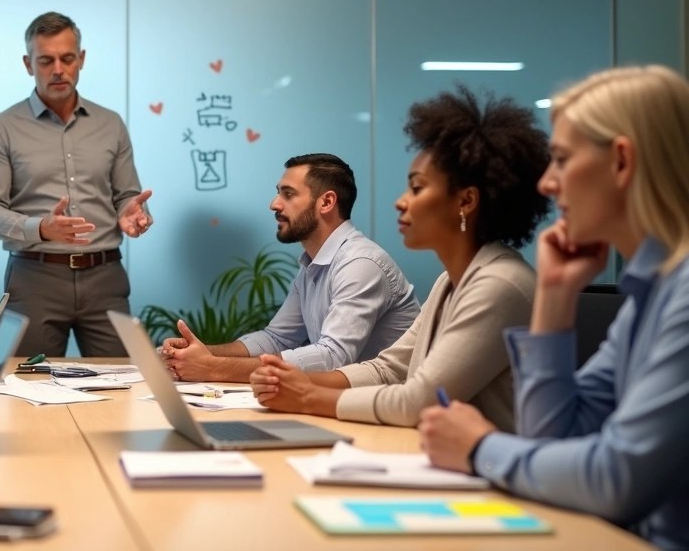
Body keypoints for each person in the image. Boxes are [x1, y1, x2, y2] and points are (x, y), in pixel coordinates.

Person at [419, 66, 689, 551]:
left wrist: (479, 447)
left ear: (622, 162)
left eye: (562, 159)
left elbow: (616, 479)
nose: (547, 183)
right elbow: (553, 440)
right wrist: (555, 299)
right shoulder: (651, 294)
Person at [249, 86, 551, 430]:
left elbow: (418, 399)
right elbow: (388, 369)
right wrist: (295, 381)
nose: (401, 201)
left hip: (497, 475)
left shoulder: (500, 285)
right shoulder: (450, 282)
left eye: (417, 188)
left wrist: (307, 397)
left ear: (466, 201)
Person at [0, 11, 153, 357]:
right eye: (46, 60)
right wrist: (40, 227)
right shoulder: (2, 127)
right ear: (28, 64)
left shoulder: (110, 123)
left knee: (122, 390)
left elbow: (126, 195)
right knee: (23, 388)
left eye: (67, 58)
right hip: (35, 277)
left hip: (106, 277)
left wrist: (133, 211)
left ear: (81, 60)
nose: (58, 69)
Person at [161, 153, 420, 383]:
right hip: (345, 403)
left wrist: (215, 368)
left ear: (327, 202)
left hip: (393, 414)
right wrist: (200, 352)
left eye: (289, 194)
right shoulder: (313, 265)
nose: (274, 204)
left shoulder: (361, 264)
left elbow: (333, 357)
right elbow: (276, 338)